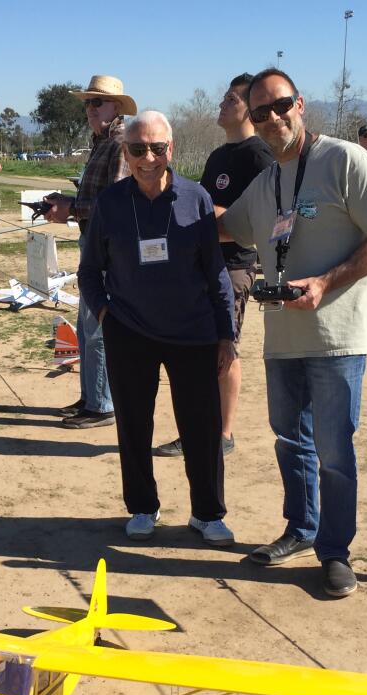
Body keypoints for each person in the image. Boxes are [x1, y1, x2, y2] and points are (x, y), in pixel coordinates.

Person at [219, 68, 367, 598]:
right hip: (283, 338)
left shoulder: (345, 160)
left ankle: (335, 551)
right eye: (259, 112)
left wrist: (325, 283)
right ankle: (299, 530)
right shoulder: (270, 177)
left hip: (337, 339)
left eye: (280, 106)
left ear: (300, 104)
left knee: (334, 450)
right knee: (289, 441)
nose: (271, 118)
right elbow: (227, 224)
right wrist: (161, 199)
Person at [79, 111, 237, 546]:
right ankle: (143, 507)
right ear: (125, 153)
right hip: (130, 331)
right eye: (137, 149)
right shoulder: (111, 203)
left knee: (202, 428)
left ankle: (207, 513)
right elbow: (90, 271)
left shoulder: (197, 198)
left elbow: (216, 272)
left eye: (156, 148)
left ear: (172, 150)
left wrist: (228, 334)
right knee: (133, 425)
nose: (147, 157)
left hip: (194, 333)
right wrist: (106, 317)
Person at [153, 73, 275, 460]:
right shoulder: (219, 156)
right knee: (194, 350)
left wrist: (216, 219)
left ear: (250, 111)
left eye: (230, 99)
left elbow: (262, 222)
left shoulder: (259, 156)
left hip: (234, 267)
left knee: (224, 348)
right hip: (202, 264)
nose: (222, 104)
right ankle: (195, 429)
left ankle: (221, 433)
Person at [43, 75, 135, 429]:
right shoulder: (100, 142)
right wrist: (71, 204)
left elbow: (117, 203)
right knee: (85, 327)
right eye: (88, 102)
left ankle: (102, 405)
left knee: (97, 326)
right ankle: (91, 398)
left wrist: (72, 207)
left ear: (116, 108)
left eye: (98, 102)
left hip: (110, 249)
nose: (90, 109)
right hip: (93, 244)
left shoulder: (120, 143)